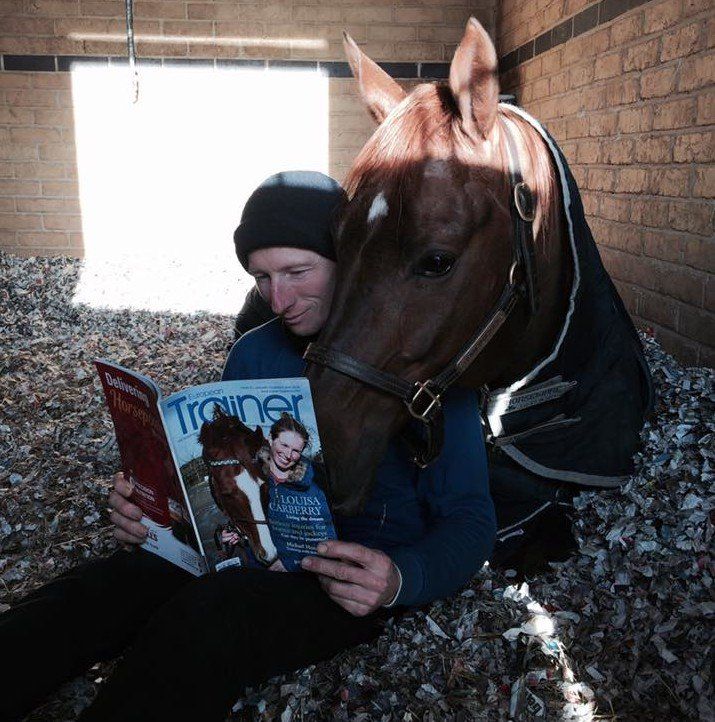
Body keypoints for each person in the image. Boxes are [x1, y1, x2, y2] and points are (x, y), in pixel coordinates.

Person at [0, 171, 495, 722]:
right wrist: (152, 511)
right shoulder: (255, 353)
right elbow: (224, 482)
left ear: (351, 260)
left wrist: (401, 578)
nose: (279, 298)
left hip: (346, 577)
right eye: (262, 277)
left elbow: (472, 517)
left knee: (208, 622)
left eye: (297, 272)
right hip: (245, 547)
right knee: (90, 593)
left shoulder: (426, 355)